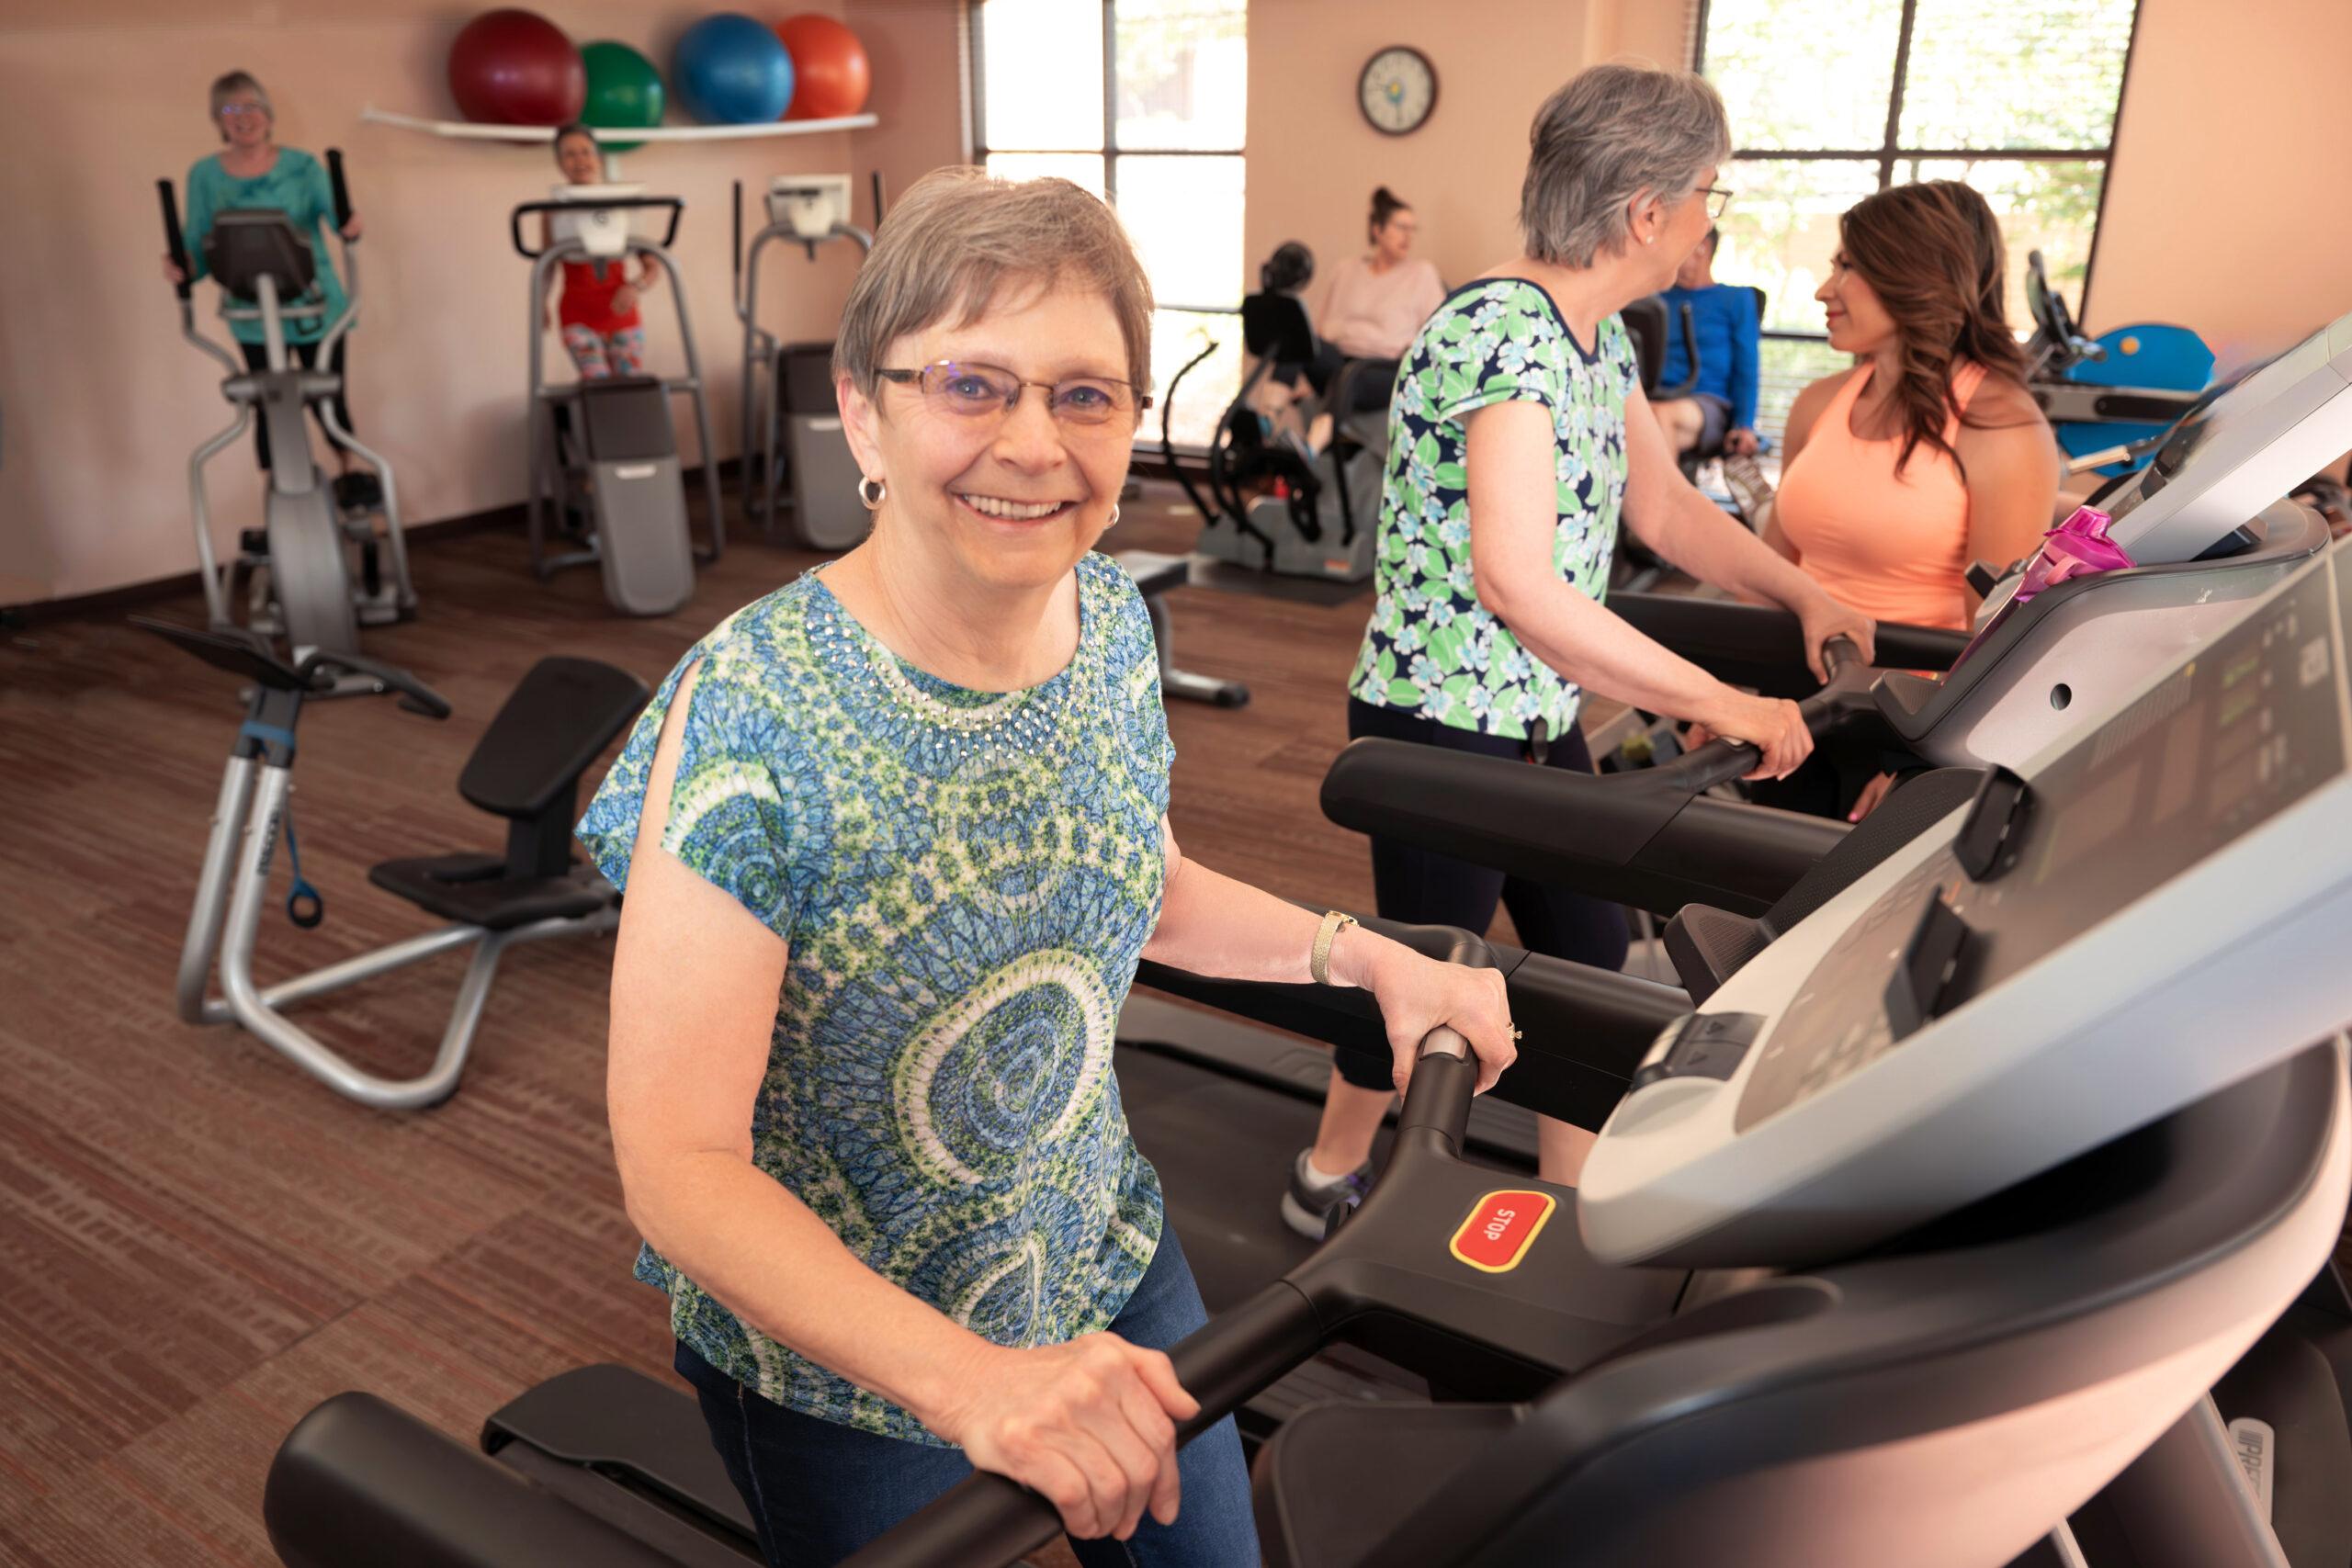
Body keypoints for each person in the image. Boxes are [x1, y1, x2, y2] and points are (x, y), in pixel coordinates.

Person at [579, 167, 1521, 1568]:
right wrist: (980, 1383)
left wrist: (1363, 951)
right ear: (863, 409)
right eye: (972, 384)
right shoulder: (753, 719)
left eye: (1085, 395)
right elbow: (679, 1165)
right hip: (859, 1373)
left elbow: (1139, 880)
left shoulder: (1106, 615)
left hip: (1099, 1246)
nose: (1035, 443)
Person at [1284, 62, 1876, 1240]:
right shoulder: (1497, 333)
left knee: (1588, 964)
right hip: (1439, 728)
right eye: (1710, 190)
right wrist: (1729, 699)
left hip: (1539, 719)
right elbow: (1518, 583)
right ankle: (1322, 1173)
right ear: (1646, 211)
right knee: (1429, 974)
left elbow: (1663, 517)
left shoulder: (1595, 340)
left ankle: (1567, 1213)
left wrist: (1802, 595)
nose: (1716, 215)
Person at [1760, 179, 2060, 818]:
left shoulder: (2002, 426)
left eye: (1848, 267)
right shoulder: (1820, 402)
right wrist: (1727, 694)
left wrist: (1924, 760)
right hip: (1792, 697)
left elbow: (1999, 631)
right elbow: (1769, 571)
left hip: (1906, 714)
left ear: (1912, 276)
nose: (1824, 289)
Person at [163, 71, 362, 473]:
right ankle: (279, 495)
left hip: (315, 309)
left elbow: (337, 217)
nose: (242, 116)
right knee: (268, 406)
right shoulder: (205, 174)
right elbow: (199, 243)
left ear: (268, 116)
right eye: (230, 108)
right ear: (218, 121)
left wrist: (349, 224)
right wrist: (183, 267)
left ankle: (352, 475)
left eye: (251, 106)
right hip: (250, 312)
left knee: (328, 399)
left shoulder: (303, 167)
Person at [1297, 187, 1446, 451]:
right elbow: (1321, 327)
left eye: (1413, 229)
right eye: (1401, 227)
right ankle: (1265, 417)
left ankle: (1312, 446)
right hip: (1339, 359)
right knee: (1299, 339)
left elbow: (1436, 337)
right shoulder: (1346, 269)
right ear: (1377, 230)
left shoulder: (1422, 274)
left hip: (1382, 370)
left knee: (1351, 377)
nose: (1408, 236)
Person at [541, 124, 660, 380]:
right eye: (569, 154)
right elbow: (546, 263)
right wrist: (541, 301)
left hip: (621, 312)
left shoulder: (622, 202)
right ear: (559, 162)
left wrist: (635, 287)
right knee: (598, 383)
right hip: (577, 314)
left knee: (628, 389)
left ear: (598, 156)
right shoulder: (553, 209)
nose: (579, 160)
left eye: (585, 152)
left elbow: (652, 265)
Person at [1650, 226, 1763, 459]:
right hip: (1653, 399)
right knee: (1645, 424)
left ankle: (1664, 497)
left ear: (1702, 247)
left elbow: (1747, 368)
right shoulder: (1655, 298)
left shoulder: (1736, 299)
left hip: (1708, 403)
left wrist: (1744, 425)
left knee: (1660, 418)